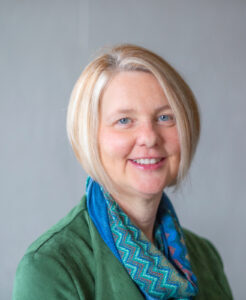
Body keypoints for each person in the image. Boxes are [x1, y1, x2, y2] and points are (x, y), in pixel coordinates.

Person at [13, 44, 233, 299]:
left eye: (164, 117)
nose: (149, 138)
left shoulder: (205, 257)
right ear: (90, 138)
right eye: (124, 121)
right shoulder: (50, 268)